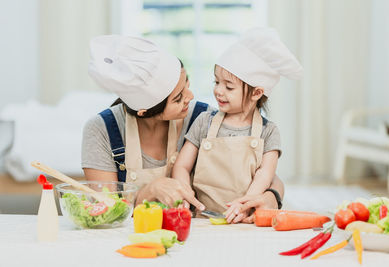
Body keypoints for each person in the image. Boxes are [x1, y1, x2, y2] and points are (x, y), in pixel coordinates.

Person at [82, 34, 285, 212]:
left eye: (187, 83)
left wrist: (271, 198)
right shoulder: (102, 131)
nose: (191, 96)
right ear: (144, 112)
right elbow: (105, 207)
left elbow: (267, 176)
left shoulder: (205, 118)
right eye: (178, 98)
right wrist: (149, 191)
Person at [172, 28, 302, 223]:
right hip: (201, 218)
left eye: (229, 86)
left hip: (243, 218)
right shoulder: (204, 122)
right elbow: (182, 165)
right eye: (216, 82)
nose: (218, 91)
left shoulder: (268, 132)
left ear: (257, 93)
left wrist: (245, 204)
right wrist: (185, 192)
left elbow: (265, 175)